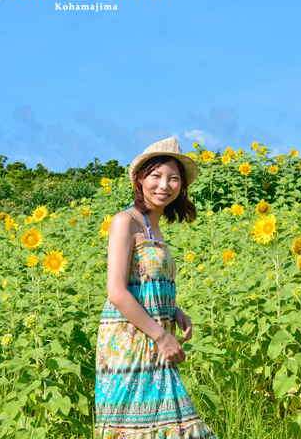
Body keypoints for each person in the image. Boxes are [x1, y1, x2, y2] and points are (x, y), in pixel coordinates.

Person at [95, 137, 215, 438]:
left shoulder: (154, 226)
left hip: (153, 335)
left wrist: (173, 310)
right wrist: (162, 337)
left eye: (174, 178)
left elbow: (142, 283)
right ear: (140, 179)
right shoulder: (125, 222)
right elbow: (117, 292)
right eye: (156, 176)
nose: (165, 185)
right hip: (129, 342)